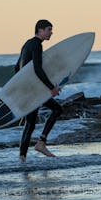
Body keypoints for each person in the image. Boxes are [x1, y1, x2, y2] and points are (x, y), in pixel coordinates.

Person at [15, 19, 62, 162]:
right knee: (57, 109)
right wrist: (51, 87)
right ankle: (41, 143)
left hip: (28, 88)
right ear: (40, 30)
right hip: (34, 90)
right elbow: (37, 68)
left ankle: (22, 157)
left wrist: (19, 87)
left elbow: (17, 67)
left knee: (30, 123)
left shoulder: (27, 44)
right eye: (49, 29)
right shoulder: (36, 45)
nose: (51, 33)